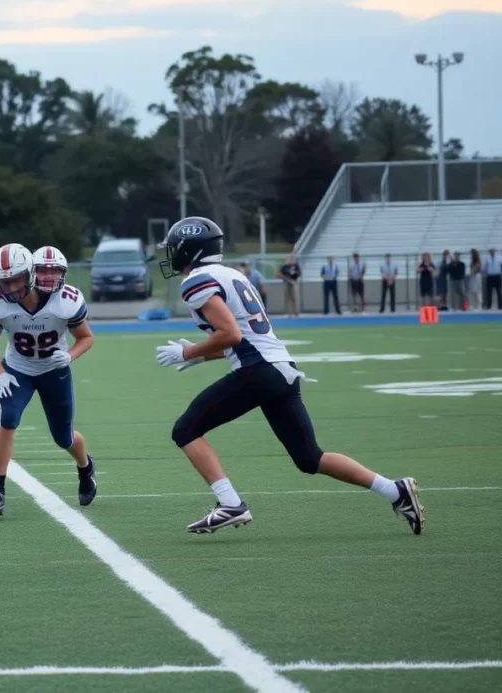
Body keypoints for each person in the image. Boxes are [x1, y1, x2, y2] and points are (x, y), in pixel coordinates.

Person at [154, 217, 424, 536]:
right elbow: (241, 336)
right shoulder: (229, 274)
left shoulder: (196, 280)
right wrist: (200, 355)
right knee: (310, 458)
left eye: (175, 249)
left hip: (258, 371)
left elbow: (231, 335)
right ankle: (396, 491)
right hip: (281, 368)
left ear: (190, 250)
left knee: (185, 430)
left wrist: (188, 353)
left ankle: (230, 504)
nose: (171, 255)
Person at [0, 244, 95, 516]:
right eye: (5, 282)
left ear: (30, 274)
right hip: (17, 369)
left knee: (63, 437)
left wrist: (69, 356)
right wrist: (0, 373)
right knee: (7, 419)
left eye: (17, 279)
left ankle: (85, 468)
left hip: (54, 370)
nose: (12, 287)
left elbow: (86, 337)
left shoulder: (65, 300)